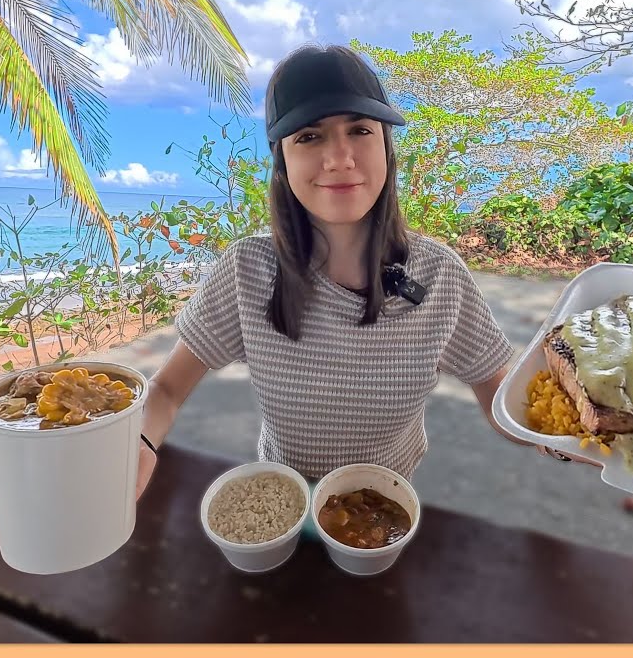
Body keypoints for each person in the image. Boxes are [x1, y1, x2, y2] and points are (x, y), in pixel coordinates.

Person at [133, 44, 572, 499]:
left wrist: (569, 432)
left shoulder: (441, 275)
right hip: (282, 507)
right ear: (282, 162)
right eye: (309, 136)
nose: (339, 157)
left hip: (386, 507)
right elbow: (164, 390)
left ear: (385, 147)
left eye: (360, 129)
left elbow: (504, 401)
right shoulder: (247, 272)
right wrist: (139, 444)